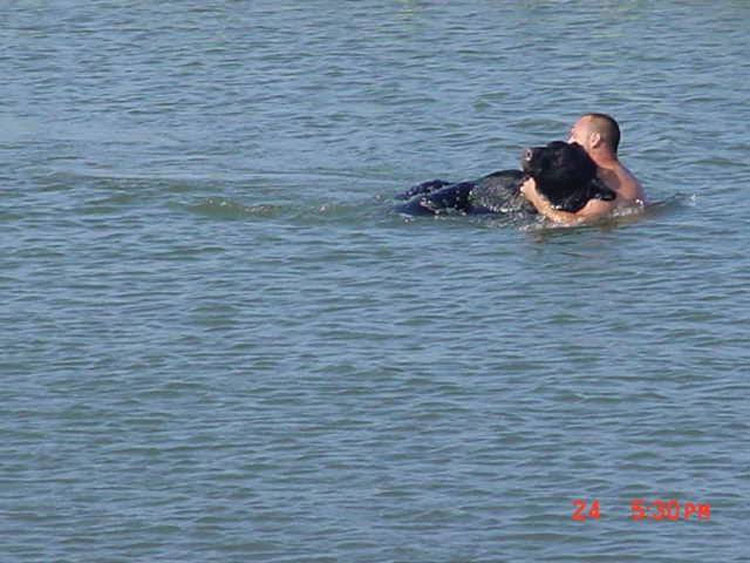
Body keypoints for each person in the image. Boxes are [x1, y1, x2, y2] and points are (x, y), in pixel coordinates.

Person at [520, 113, 646, 225]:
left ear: (595, 140)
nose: (569, 142)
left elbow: (575, 222)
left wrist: (536, 198)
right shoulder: (612, 173)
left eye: (574, 136)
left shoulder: (610, 182)